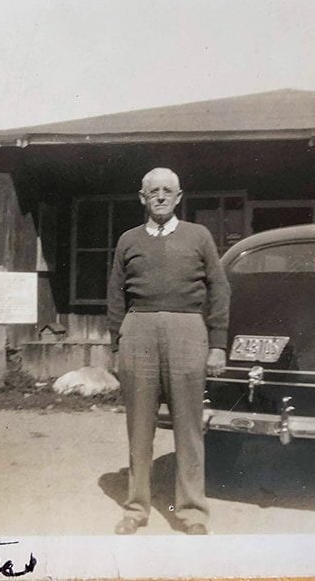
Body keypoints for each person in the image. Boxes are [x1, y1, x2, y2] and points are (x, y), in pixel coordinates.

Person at [106, 167, 230, 535]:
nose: (160, 196)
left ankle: (191, 512)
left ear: (178, 198)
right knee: (139, 427)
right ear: (142, 198)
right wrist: (117, 343)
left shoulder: (199, 236)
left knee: (189, 427)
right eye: (152, 191)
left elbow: (220, 290)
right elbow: (115, 295)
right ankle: (135, 508)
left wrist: (218, 343)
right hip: (138, 329)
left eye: (167, 191)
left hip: (188, 328)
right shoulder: (128, 240)